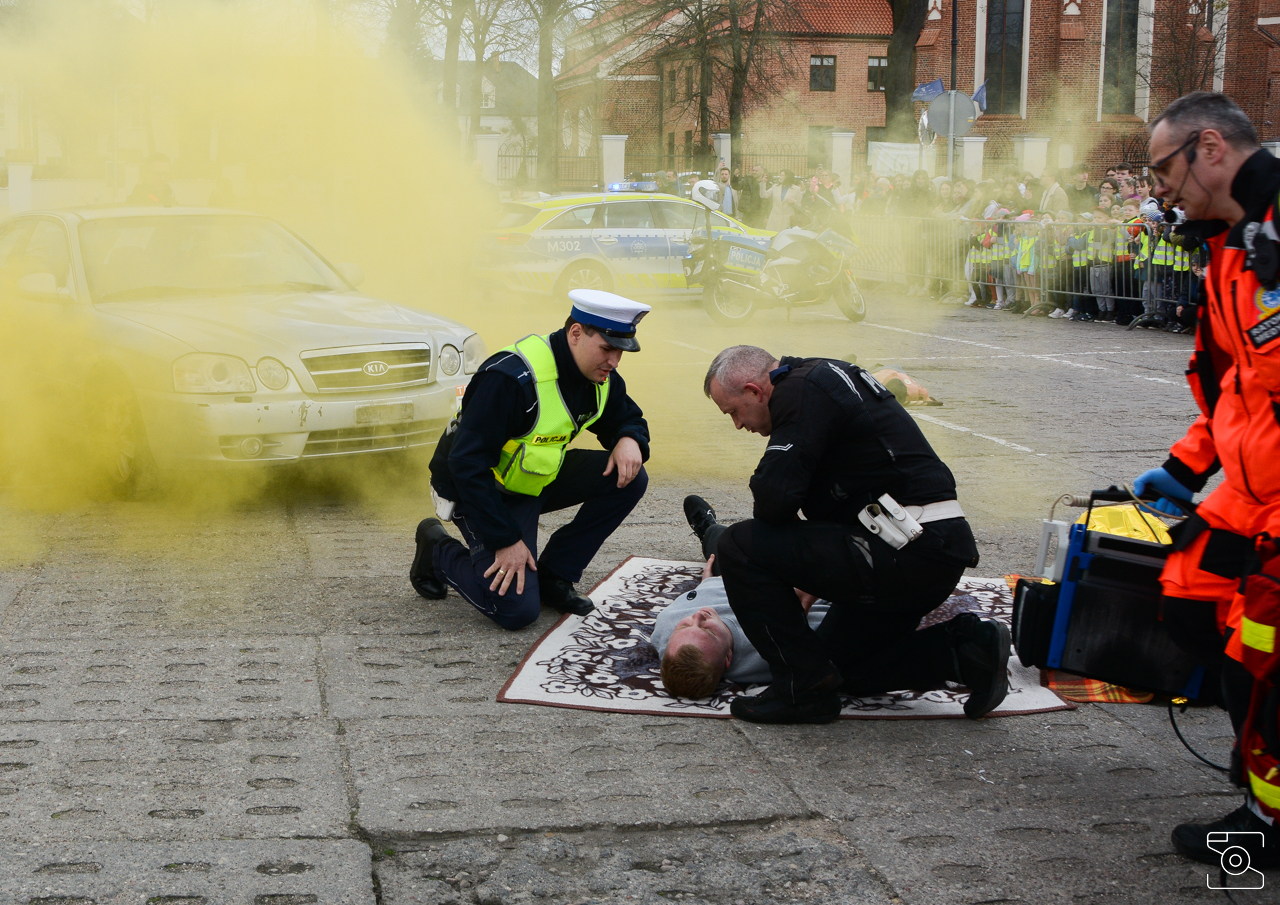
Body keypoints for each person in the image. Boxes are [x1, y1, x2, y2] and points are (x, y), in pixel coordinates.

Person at [699, 345, 1007, 724]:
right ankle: (968, 650)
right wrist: (812, 572)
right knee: (840, 671)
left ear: (753, 390)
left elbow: (773, 500)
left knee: (740, 545)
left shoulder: (798, 393)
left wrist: (794, 568)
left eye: (733, 412)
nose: (738, 426)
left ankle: (800, 689)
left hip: (905, 552)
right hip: (925, 552)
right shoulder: (816, 378)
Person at [1134, 90, 1280, 869]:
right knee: (1188, 605)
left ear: (1212, 148)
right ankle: (1257, 769)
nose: (1161, 187)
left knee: (1262, 647)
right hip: (1247, 486)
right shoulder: (1229, 248)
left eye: (1165, 167)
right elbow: (1235, 385)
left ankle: (1266, 821)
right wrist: (1187, 466)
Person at [411, 290, 651, 630]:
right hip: (477, 489)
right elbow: (466, 464)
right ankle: (437, 550)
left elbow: (626, 416)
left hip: (530, 480)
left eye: (620, 352)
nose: (614, 361)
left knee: (630, 477)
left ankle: (555, 578)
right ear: (576, 334)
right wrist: (505, 540)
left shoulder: (599, 375)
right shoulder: (510, 379)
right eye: (608, 349)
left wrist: (629, 439)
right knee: (515, 611)